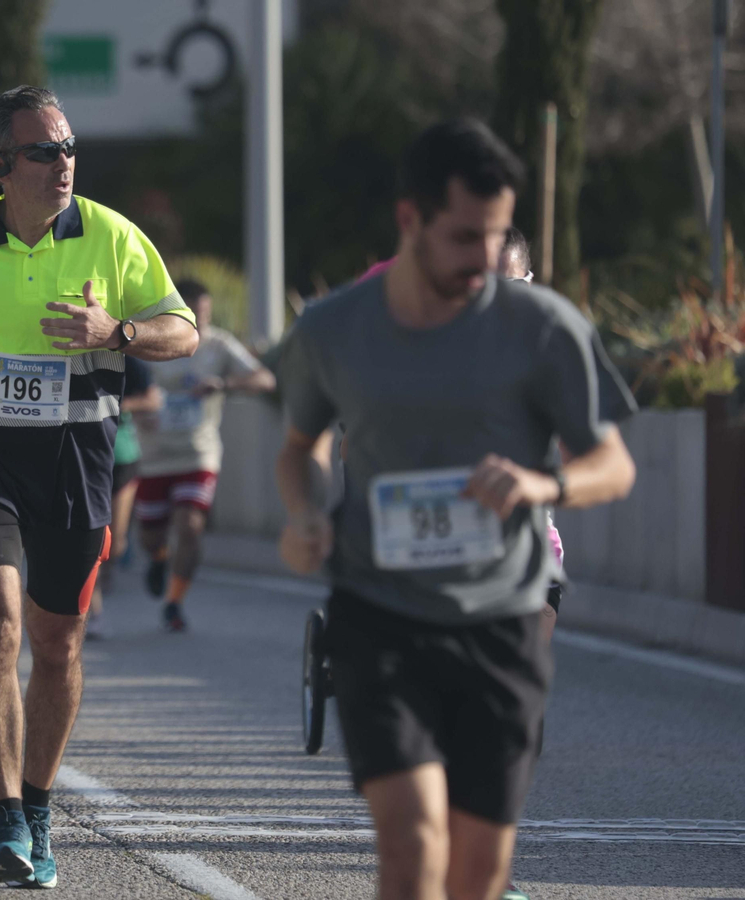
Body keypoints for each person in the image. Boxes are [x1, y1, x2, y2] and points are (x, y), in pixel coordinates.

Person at [275, 118, 637, 900]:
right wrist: (304, 512)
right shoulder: (336, 328)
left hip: (503, 619)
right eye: (467, 237)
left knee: (479, 875)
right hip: (380, 611)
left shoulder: (542, 330)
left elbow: (613, 464)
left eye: (499, 238)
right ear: (411, 220)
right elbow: (297, 444)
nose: (487, 260)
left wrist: (546, 487)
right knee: (411, 848)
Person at [0, 85, 198, 888]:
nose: (62, 164)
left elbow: (184, 330)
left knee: (57, 646)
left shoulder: (110, 236)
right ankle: (5, 826)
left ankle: (40, 806)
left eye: (68, 149)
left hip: (74, 458)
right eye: (42, 152)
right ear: (0, 165)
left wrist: (116, 332)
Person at [134, 279, 275, 632]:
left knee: (191, 527)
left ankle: (174, 602)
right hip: (153, 456)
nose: (200, 320)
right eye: (193, 312)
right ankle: (158, 557)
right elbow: (122, 384)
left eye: (205, 313)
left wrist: (225, 385)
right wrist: (139, 407)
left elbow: (265, 380)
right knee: (150, 535)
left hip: (199, 452)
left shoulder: (218, 344)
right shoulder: (149, 340)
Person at [85, 354, 161, 641]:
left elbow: (154, 400)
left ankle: (103, 576)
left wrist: (122, 404)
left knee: (114, 545)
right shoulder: (74, 352)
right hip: (86, 458)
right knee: (90, 538)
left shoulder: (132, 361)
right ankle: (95, 612)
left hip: (123, 457)